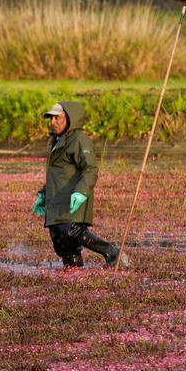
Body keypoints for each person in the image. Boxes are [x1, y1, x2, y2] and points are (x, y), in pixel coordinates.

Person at [33, 101, 125, 269]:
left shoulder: (79, 140)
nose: (52, 122)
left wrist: (81, 192)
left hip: (73, 198)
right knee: (60, 241)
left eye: (57, 118)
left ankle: (111, 251)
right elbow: (58, 173)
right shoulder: (55, 141)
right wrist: (43, 193)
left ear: (69, 118)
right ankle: (74, 273)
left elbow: (90, 169)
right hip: (55, 200)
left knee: (72, 231)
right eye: (51, 118)